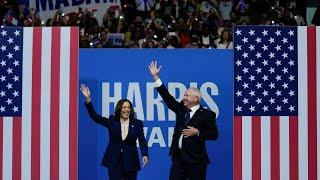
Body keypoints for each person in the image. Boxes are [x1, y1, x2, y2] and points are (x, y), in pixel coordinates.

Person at [148, 61, 218, 180]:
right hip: (178, 158)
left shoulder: (207, 114)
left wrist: (198, 132)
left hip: (196, 161)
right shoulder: (181, 109)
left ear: (196, 98)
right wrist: (156, 78)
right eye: (184, 95)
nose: (184, 97)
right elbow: (168, 98)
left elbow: (214, 134)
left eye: (187, 96)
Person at [80, 84, 149, 180]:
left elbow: (142, 140)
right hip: (114, 160)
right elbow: (95, 117)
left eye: (129, 107)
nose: (126, 110)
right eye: (124, 107)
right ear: (119, 109)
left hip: (131, 160)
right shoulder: (112, 121)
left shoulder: (137, 123)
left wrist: (145, 154)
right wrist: (88, 99)